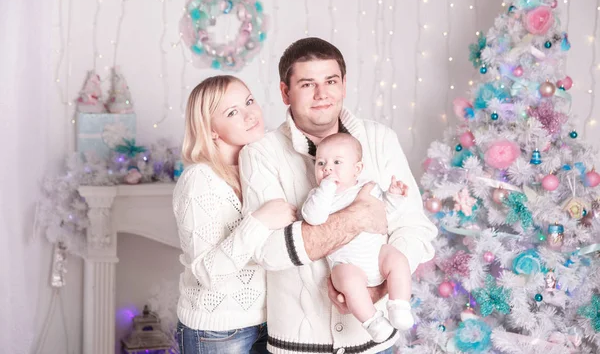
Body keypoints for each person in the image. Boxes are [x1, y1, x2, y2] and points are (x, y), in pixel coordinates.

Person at [239, 37, 438, 354]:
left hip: (374, 342)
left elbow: (414, 228)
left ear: (344, 84)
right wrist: (357, 216)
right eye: (307, 84)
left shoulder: (380, 139)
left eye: (330, 81)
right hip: (299, 345)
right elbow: (266, 251)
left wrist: (375, 286)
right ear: (284, 92)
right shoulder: (260, 153)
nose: (321, 94)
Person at [172, 75, 296, 354]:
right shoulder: (200, 180)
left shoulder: (260, 168)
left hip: (271, 322)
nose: (249, 114)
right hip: (217, 331)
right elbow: (207, 272)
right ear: (211, 130)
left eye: (249, 101)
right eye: (232, 112)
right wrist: (260, 221)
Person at [300, 133, 415, 343]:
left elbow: (385, 215)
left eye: (337, 162)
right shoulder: (318, 197)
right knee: (349, 281)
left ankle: (399, 305)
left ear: (357, 169)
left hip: (377, 255)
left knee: (398, 259)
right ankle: (373, 322)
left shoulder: (368, 188)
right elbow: (313, 218)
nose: (327, 168)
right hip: (347, 262)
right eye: (321, 163)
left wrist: (394, 196)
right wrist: (325, 189)